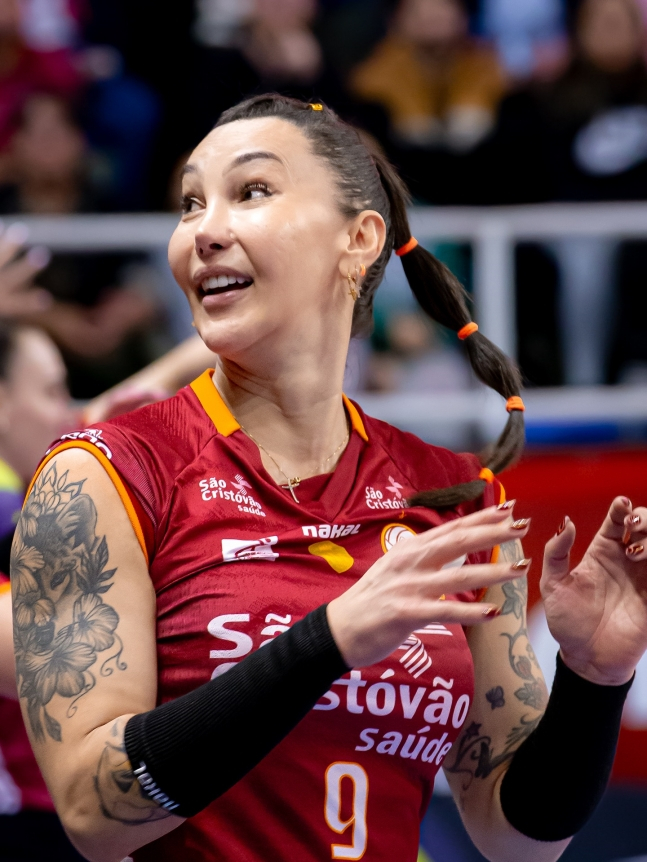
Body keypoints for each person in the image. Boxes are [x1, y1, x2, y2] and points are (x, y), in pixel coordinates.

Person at [12, 94, 647, 862]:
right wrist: (328, 641)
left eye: (251, 191)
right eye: (189, 203)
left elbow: (516, 837)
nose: (203, 231)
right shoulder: (102, 474)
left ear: (359, 238)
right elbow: (93, 809)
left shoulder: (453, 495)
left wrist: (593, 677)